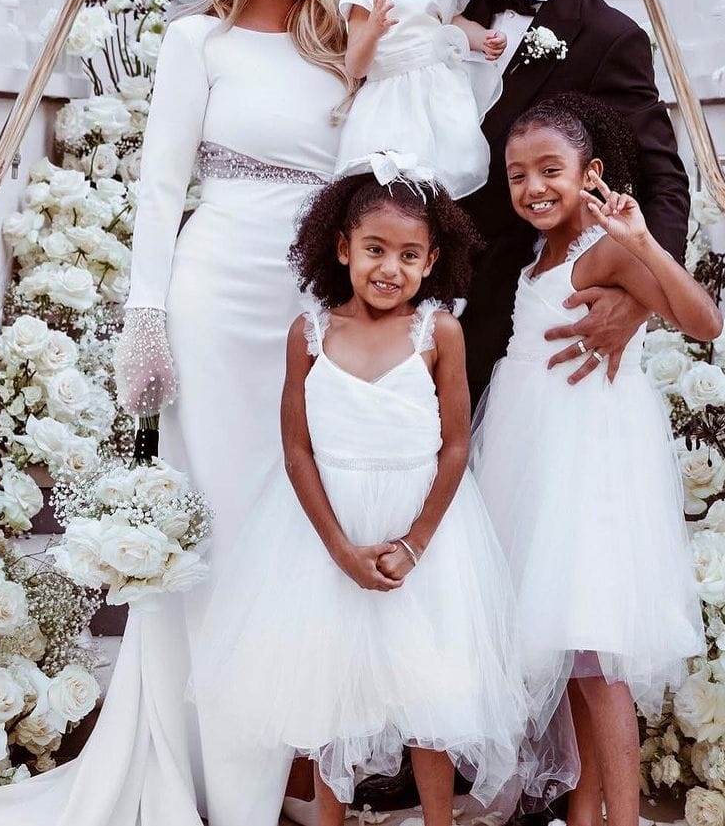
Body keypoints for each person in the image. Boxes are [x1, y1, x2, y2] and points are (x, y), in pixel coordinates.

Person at [0, 0, 351, 826]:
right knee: (211, 528)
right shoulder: (196, 39)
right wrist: (145, 314)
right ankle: (200, 775)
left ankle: (272, 774)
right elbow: (163, 186)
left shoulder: (344, 47)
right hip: (216, 296)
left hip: (312, 303)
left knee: (290, 530)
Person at [193, 162, 549, 826]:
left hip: (423, 534)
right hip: (328, 534)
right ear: (343, 248)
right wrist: (339, 549)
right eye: (375, 250)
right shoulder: (309, 332)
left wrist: (415, 543)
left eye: (409, 255)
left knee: (430, 694)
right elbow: (297, 450)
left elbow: (455, 445)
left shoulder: (438, 332)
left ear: (431, 261)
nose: (390, 268)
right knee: (330, 692)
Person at [472, 94, 714, 826]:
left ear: (591, 173)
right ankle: (583, 811)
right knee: (570, 652)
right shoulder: (538, 256)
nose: (533, 188)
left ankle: (622, 817)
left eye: (551, 169)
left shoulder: (603, 250)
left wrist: (644, 243)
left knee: (595, 657)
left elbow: (703, 321)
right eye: (518, 175)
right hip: (534, 458)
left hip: (590, 464)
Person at [458, 0, 691, 399]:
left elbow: (662, 179)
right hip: (407, 294)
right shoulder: (451, 8)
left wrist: (638, 298)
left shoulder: (608, 38)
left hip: (515, 317)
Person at [335, 0, 507, 199]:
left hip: (440, 94)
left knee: (445, 170)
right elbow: (356, 66)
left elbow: (456, 23)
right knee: (400, 182)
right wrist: (373, 30)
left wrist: (483, 38)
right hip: (391, 100)